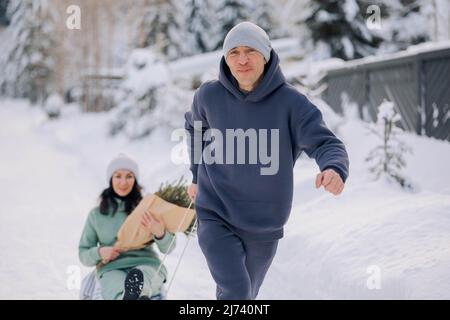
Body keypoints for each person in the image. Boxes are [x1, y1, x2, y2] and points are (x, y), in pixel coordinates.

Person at [184, 22, 349, 300]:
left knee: (243, 294)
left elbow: (326, 143)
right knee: (236, 290)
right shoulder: (208, 96)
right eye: (234, 52)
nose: (242, 59)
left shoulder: (291, 103)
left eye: (250, 50)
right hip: (215, 212)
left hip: (264, 224)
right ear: (225, 58)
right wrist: (197, 175)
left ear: (266, 55)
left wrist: (333, 168)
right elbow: (194, 129)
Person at [78, 153, 176, 300]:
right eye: (118, 176)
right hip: (112, 267)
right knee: (115, 285)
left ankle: (137, 294)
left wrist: (160, 232)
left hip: (147, 263)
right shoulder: (96, 215)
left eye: (129, 176)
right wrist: (99, 252)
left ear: (135, 180)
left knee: (142, 277)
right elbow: (83, 253)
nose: (123, 182)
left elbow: (169, 247)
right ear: (111, 179)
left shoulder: (148, 208)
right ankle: (129, 297)